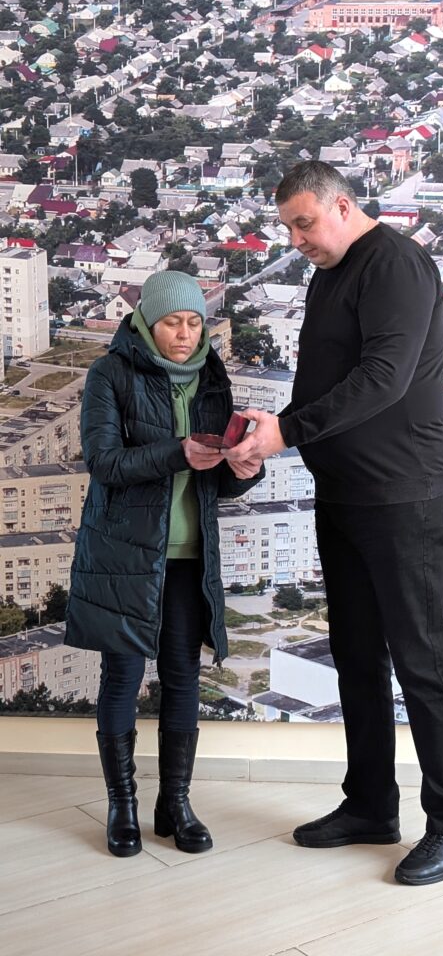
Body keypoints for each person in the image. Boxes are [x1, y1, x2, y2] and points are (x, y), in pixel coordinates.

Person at [225, 160, 443, 886]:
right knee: (357, 655)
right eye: (288, 228)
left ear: (342, 206)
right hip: (345, 491)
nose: (296, 239)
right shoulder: (329, 271)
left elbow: (382, 379)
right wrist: (266, 435)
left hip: (405, 493)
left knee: (421, 660)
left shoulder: (394, 264)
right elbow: (323, 384)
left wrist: (286, 434)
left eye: (304, 223)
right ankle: (370, 805)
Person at [65, 270, 263, 859]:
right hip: (123, 554)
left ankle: (174, 803)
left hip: (190, 555)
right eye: (173, 322)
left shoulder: (213, 377)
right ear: (147, 322)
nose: (184, 333)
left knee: (182, 677)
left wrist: (244, 471)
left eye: (194, 322)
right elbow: (104, 463)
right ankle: (121, 804)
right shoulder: (110, 373)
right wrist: (177, 453)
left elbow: (215, 482)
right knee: (123, 677)